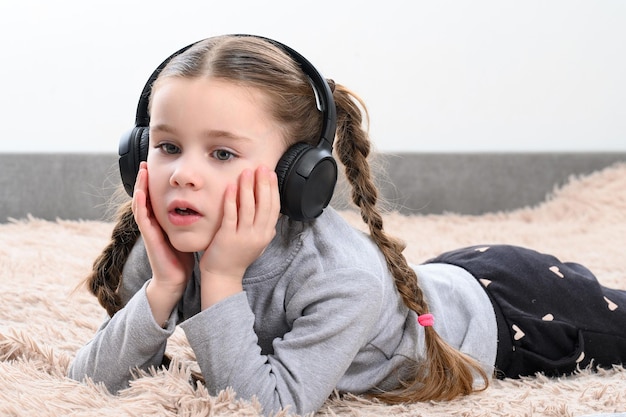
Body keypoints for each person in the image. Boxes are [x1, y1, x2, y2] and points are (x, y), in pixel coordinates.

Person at [69, 34, 626, 416]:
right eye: (168, 146)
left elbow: (268, 407)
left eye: (221, 154)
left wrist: (218, 281)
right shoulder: (164, 250)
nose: (183, 175)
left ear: (297, 176)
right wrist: (165, 287)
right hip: (446, 279)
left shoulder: (343, 279)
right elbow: (89, 381)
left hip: (521, 312)